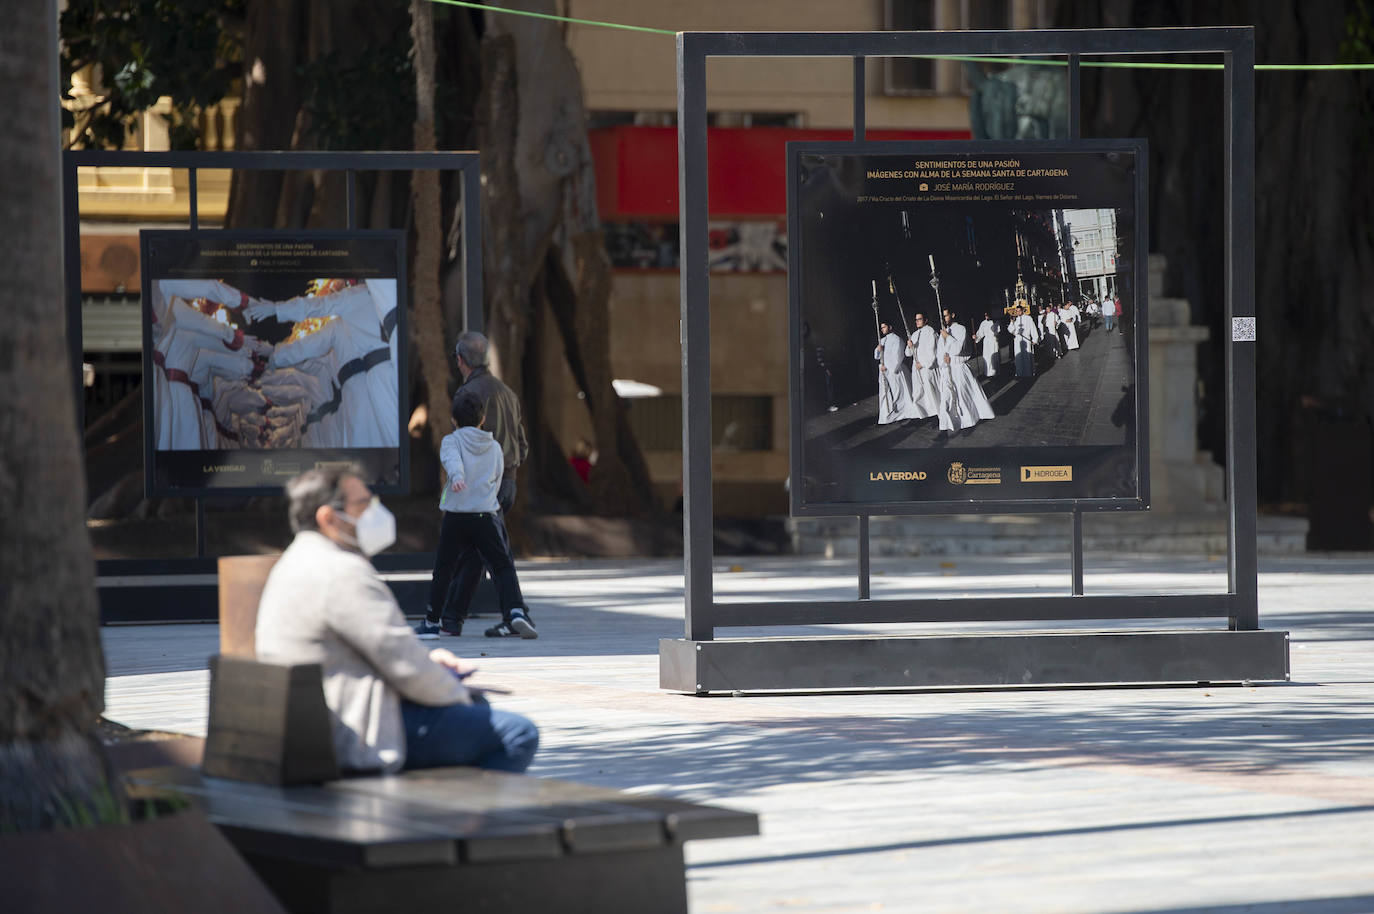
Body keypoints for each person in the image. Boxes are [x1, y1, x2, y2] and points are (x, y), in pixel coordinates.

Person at [255, 466, 539, 774]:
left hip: (321, 717)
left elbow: (383, 647)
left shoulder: (296, 561)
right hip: (354, 729)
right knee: (518, 733)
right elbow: (403, 666)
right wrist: (456, 691)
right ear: (329, 518)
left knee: (475, 714)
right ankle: (458, 819)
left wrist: (430, 662)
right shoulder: (341, 573)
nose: (375, 513)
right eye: (363, 505)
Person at [417, 331, 530, 638]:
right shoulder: (508, 392)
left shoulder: (470, 395)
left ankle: (512, 613)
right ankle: (460, 617)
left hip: (477, 490)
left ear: (460, 360)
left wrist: (460, 478)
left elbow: (459, 453)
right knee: (483, 553)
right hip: (506, 482)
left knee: (484, 556)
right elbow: (522, 443)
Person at [935, 308, 996, 437]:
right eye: (942, 316)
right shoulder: (943, 332)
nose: (944, 318)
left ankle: (967, 423)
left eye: (946, 315)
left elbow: (957, 349)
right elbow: (939, 352)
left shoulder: (960, 329)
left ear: (952, 315)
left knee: (963, 397)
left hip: (959, 368)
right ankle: (943, 429)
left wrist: (948, 338)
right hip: (947, 369)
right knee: (945, 398)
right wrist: (943, 361)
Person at [872, 321, 919, 424]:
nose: (882, 329)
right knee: (886, 393)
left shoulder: (897, 339)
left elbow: (897, 356)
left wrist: (888, 366)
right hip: (884, 371)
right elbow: (876, 356)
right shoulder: (882, 341)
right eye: (881, 328)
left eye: (884, 327)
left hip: (895, 370)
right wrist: (879, 350)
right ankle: (888, 415)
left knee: (900, 393)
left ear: (890, 327)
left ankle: (904, 415)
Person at [905, 312, 940, 418]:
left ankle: (938, 415)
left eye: (919, 319)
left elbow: (932, 352)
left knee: (931, 392)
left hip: (927, 368)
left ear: (925, 320)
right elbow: (908, 354)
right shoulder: (915, 334)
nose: (917, 321)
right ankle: (926, 415)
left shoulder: (931, 332)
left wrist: (923, 364)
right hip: (917, 369)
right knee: (919, 393)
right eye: (916, 319)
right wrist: (910, 346)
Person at [1010, 304, 1040, 378]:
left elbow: (1033, 328)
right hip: (1017, 341)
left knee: (1027, 356)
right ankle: (1019, 373)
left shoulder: (1028, 318)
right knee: (1018, 357)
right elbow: (1011, 330)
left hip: (1026, 340)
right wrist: (1012, 322)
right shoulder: (1015, 319)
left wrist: (1034, 339)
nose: (1018, 313)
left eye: (1019, 311)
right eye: (1016, 311)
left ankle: (1028, 373)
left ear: (1022, 310)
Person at [973, 310, 999, 377]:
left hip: (993, 340)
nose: (986, 317)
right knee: (987, 357)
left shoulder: (995, 322)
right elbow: (980, 333)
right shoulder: (983, 323)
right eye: (985, 315)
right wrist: (976, 337)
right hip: (987, 342)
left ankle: (994, 373)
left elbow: (997, 331)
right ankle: (988, 373)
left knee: (994, 357)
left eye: (987, 315)